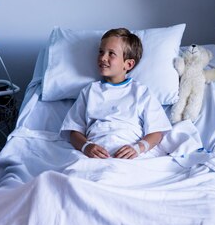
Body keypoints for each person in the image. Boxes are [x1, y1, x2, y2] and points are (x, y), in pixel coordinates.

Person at [61, 28, 172, 159]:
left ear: (128, 64)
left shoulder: (141, 92)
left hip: (130, 154)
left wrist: (138, 148)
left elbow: (157, 133)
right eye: (101, 52)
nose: (103, 58)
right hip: (94, 155)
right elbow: (74, 132)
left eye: (111, 53)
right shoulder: (90, 91)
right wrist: (86, 147)